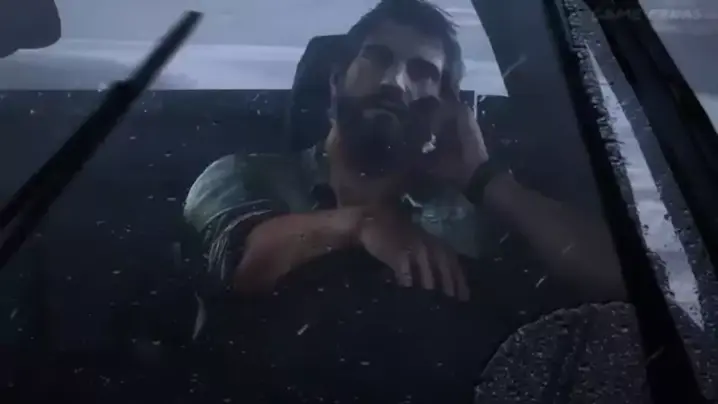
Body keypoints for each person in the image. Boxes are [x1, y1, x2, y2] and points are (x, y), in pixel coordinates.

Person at [184, 0, 639, 402]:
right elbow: (237, 260)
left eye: (422, 72)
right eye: (377, 58)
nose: (395, 82)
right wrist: (362, 224)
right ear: (336, 81)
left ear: (444, 108)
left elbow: (626, 283)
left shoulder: (467, 215)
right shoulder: (243, 175)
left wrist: (484, 179)